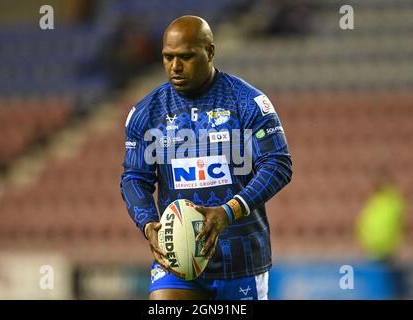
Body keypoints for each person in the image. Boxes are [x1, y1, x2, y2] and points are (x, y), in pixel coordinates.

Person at [120, 16, 292, 300]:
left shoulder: (248, 103)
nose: (174, 67)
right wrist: (148, 223)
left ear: (210, 52)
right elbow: (134, 178)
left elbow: (278, 164)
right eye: (168, 57)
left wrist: (229, 211)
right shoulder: (146, 113)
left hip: (241, 262)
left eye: (185, 56)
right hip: (176, 257)